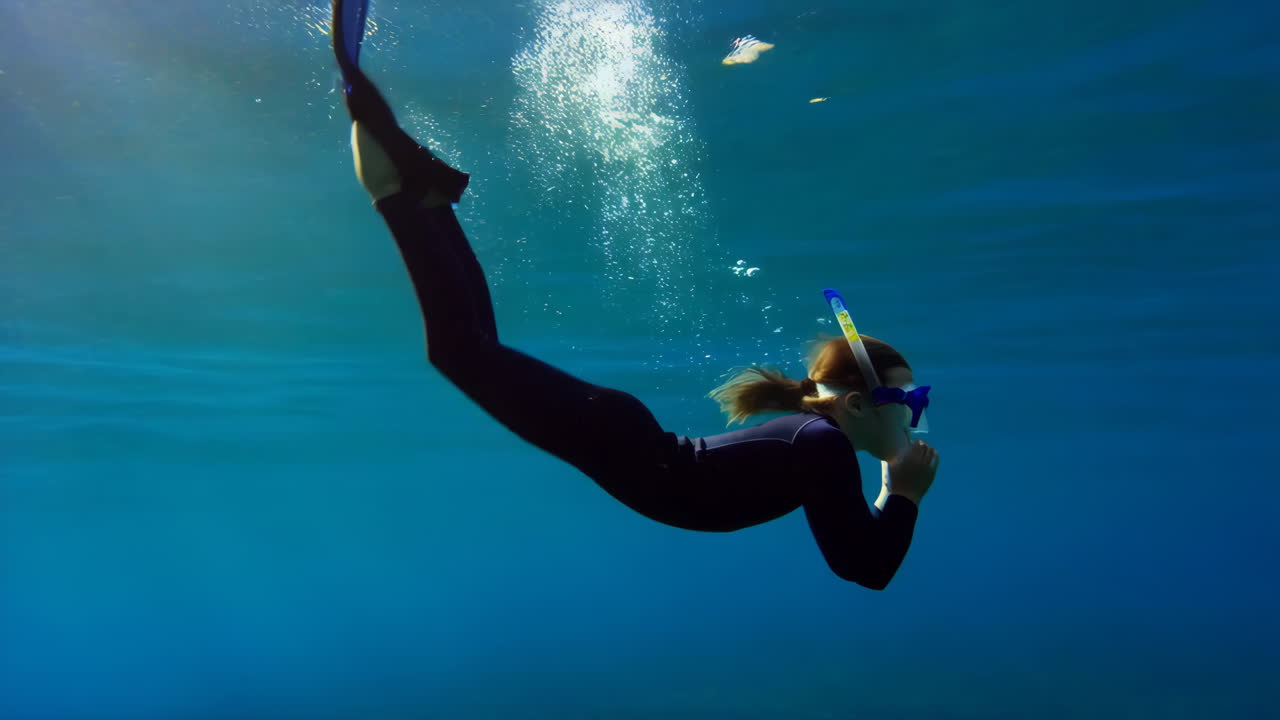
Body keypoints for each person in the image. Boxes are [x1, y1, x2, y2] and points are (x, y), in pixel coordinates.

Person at [330, 0, 939, 589]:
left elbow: (863, 557)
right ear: (857, 405)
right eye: (909, 399)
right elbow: (866, 567)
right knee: (460, 351)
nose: (917, 416)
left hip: (624, 439)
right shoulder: (825, 446)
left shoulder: (821, 444)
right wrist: (901, 492)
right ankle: (399, 197)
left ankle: (429, 205)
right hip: (623, 442)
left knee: (471, 349)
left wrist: (894, 491)